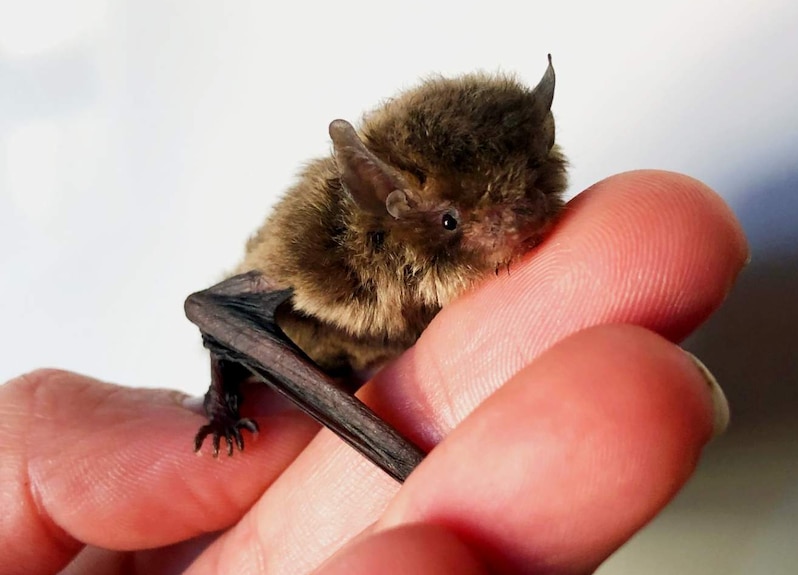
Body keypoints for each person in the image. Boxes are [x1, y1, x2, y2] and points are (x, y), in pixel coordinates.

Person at [0, 171, 747, 575]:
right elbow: (215, 309)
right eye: (459, 222)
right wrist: (224, 407)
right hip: (297, 349)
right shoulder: (329, 260)